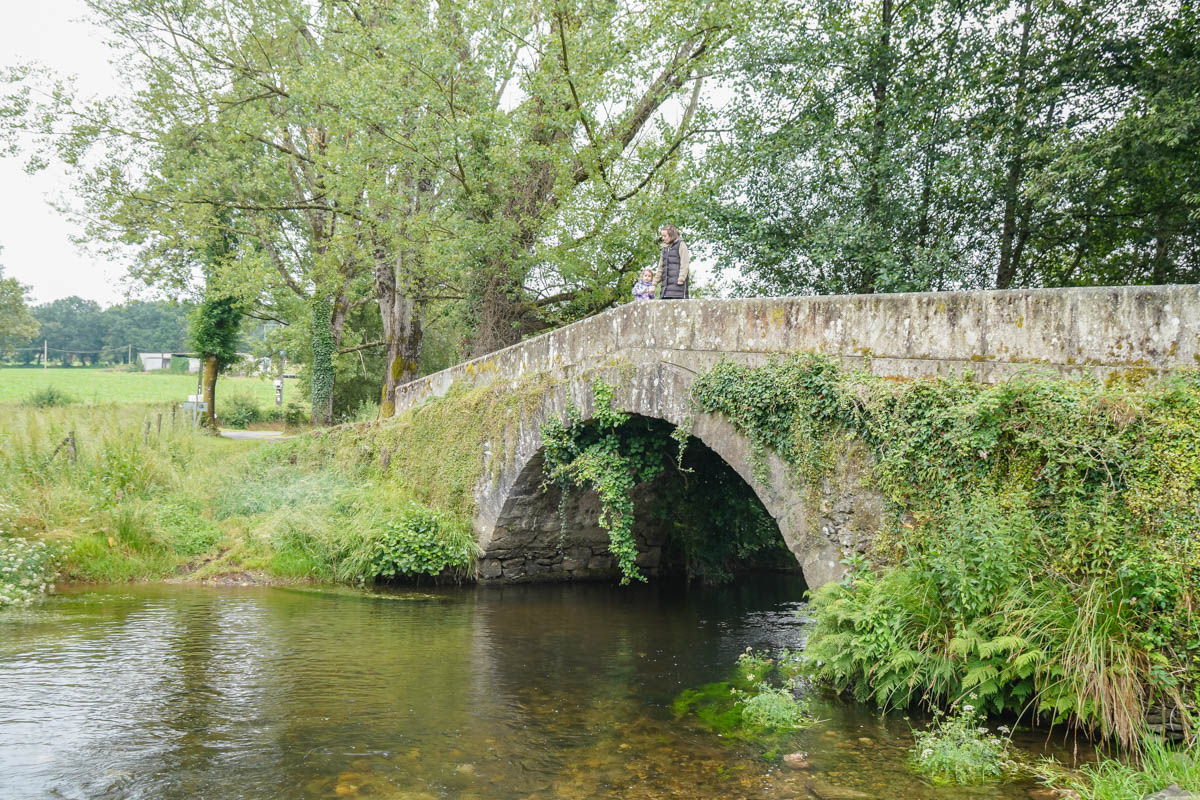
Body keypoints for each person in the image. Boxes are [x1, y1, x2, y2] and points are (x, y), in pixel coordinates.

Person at [658, 225, 689, 299]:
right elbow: (660, 268)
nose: (663, 238)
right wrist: (654, 284)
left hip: (678, 288)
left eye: (664, 236)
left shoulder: (681, 245)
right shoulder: (664, 249)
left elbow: (685, 263)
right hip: (665, 290)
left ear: (671, 235)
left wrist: (681, 278)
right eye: (662, 236)